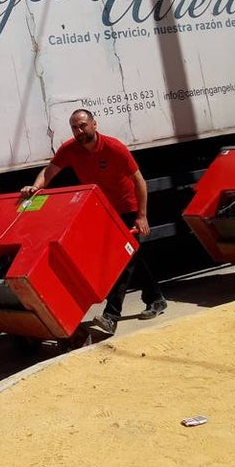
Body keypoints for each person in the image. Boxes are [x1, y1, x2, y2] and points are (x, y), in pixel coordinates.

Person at [20, 109, 166, 335]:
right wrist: (36, 187)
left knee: (124, 261)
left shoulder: (114, 148)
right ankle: (156, 299)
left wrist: (141, 215)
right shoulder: (70, 149)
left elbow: (140, 182)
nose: (79, 131)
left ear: (94, 124)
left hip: (127, 209)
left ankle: (111, 315)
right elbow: (49, 171)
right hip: (101, 210)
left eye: (83, 125)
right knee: (132, 256)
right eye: (74, 127)